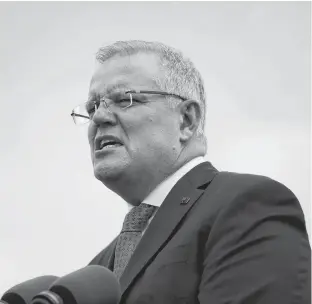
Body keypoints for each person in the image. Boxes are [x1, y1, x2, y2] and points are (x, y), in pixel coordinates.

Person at [71, 40, 311, 304]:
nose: (98, 118)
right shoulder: (95, 273)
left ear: (187, 120)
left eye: (124, 99)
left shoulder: (248, 205)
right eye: (93, 107)